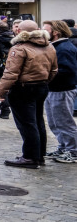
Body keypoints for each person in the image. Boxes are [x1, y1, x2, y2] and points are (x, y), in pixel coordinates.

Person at [0, 20, 58, 169]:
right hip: (41, 86)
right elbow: (54, 70)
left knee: (27, 124)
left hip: (23, 88)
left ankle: (30, 157)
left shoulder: (20, 48)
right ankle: (39, 155)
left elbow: (11, 73)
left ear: (19, 31)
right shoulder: (49, 46)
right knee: (37, 121)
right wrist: (44, 81)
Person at [43, 20, 77, 163]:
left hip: (62, 89)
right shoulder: (56, 46)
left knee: (64, 122)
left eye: (46, 30)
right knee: (54, 122)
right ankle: (64, 147)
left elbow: (68, 71)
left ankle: (73, 151)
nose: (43, 33)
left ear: (56, 32)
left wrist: (45, 73)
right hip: (54, 89)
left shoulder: (64, 48)